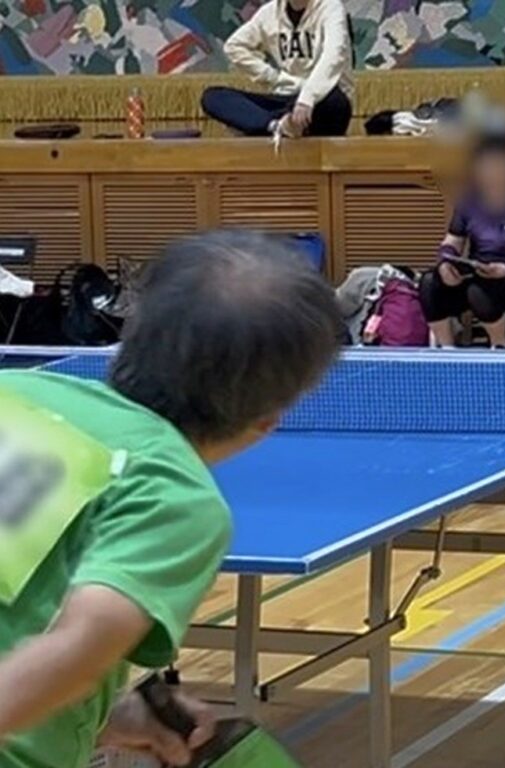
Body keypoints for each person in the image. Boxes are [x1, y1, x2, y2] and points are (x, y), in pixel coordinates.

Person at [0, 231, 341, 767]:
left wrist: (108, 712)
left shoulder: (15, 394)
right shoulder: (174, 494)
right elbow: (76, 652)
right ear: (270, 419)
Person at [419, 137, 505, 349]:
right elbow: (452, 240)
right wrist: (445, 263)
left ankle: (500, 346)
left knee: (478, 291)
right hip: (479, 271)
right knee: (429, 283)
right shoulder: (469, 200)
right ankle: (446, 349)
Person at [201, 0, 354, 138]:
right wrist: (273, 78)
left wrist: (307, 98)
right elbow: (234, 46)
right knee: (213, 96)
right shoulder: (270, 12)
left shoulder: (331, 7)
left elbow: (334, 56)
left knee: (336, 101)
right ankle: (276, 126)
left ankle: (260, 126)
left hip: (321, 100)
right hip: (287, 97)